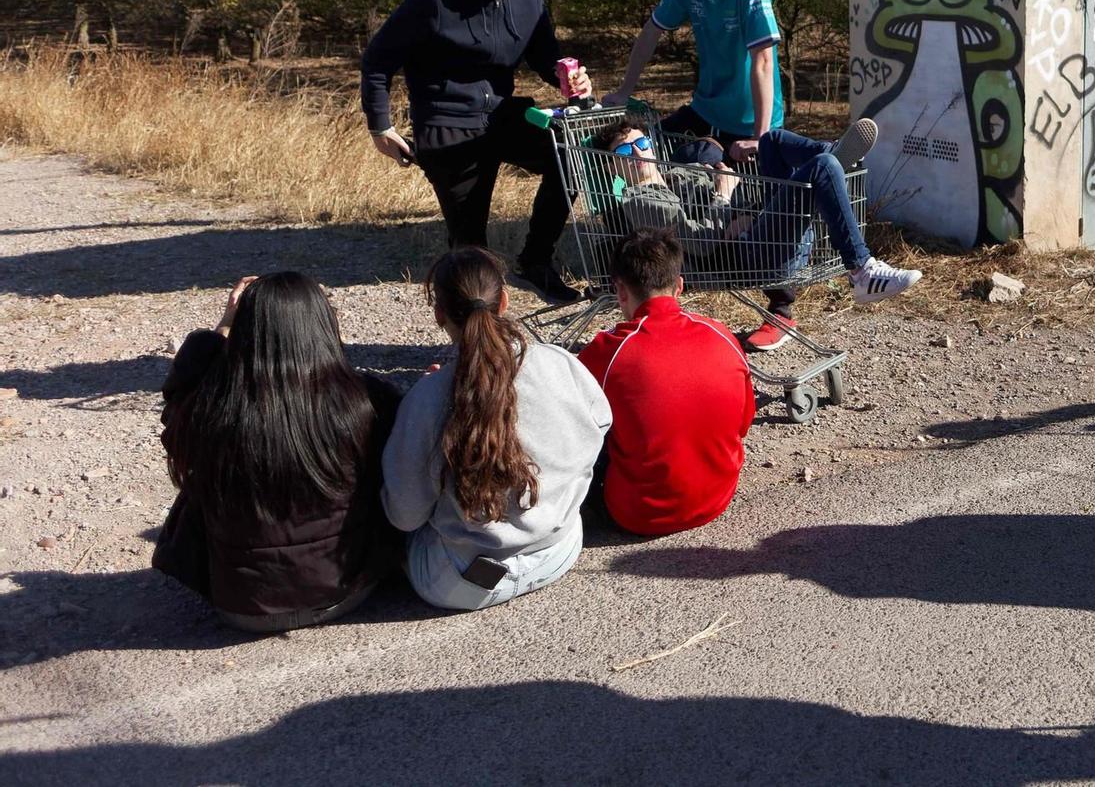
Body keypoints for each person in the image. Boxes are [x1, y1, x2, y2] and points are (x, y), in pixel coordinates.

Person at [361, 0, 594, 305]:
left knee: (569, 152)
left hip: (502, 113)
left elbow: (543, 53)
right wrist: (380, 127)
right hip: (447, 122)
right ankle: (476, 333)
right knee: (471, 251)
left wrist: (567, 76)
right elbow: (377, 61)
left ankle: (536, 261)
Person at [154, 273, 402, 632]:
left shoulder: (209, 408)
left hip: (241, 606)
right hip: (348, 590)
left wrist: (223, 326)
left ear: (245, 334)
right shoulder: (366, 400)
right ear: (322, 325)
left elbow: (178, 396)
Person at [601, 0, 797, 348]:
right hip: (705, 108)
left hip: (752, 119)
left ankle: (782, 310)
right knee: (635, 160)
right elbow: (651, 31)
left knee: (761, 208)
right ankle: (637, 277)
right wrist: (623, 90)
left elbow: (763, 62)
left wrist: (762, 138)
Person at [381, 247, 610, 611]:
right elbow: (601, 424)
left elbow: (404, 515)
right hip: (558, 552)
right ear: (504, 300)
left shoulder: (427, 400)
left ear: (440, 315)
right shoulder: (559, 362)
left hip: (460, 581)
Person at [591, 117, 922, 305]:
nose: (637, 152)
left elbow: (733, 193)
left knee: (771, 142)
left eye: (641, 143)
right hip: (745, 258)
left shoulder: (677, 174)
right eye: (624, 150)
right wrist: (723, 195)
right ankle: (862, 270)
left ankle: (835, 155)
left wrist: (742, 210)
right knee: (821, 167)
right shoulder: (641, 200)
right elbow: (702, 243)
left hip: (756, 233)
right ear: (613, 167)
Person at [577, 229, 757, 536]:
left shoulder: (605, 352)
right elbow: (743, 423)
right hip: (716, 498)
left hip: (636, 514)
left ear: (620, 290)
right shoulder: (721, 334)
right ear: (679, 287)